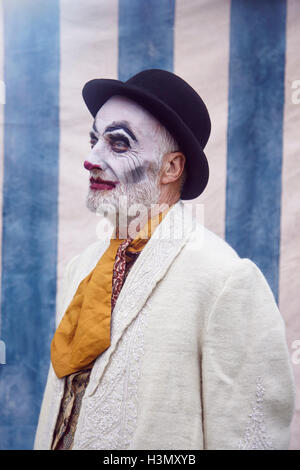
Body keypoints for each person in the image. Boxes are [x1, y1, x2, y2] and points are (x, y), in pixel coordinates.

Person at [34, 69, 295, 450]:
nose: (91, 159)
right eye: (94, 140)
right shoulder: (81, 268)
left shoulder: (224, 279)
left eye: (118, 144)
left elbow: (252, 438)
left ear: (172, 168)